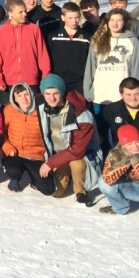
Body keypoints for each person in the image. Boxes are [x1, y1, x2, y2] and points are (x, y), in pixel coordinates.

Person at [36, 74, 101, 205]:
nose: (51, 98)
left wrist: (50, 163)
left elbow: (77, 150)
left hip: (82, 154)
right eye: (47, 93)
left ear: (62, 92)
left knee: (77, 164)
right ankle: (65, 179)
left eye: (56, 93)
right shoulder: (43, 107)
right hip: (58, 153)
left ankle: (80, 191)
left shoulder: (81, 114)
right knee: (56, 193)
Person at [0, 0, 50, 104]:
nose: (24, 14)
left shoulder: (34, 29)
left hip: (31, 80)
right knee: (9, 116)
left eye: (25, 11)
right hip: (8, 82)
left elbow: (42, 55)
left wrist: (45, 76)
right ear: (10, 13)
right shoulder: (0, 32)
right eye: (20, 12)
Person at [84, 9, 139, 112]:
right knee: (101, 126)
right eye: (112, 20)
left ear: (124, 22)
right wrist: (88, 90)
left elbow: (137, 69)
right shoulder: (98, 40)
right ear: (107, 22)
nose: (115, 23)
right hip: (100, 94)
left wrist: (133, 92)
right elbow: (91, 67)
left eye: (119, 20)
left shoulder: (132, 41)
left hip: (122, 95)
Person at [1, 83, 55, 195]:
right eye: (19, 96)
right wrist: (8, 148)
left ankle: (33, 176)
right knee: (13, 169)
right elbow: (2, 133)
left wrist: (48, 155)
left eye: (26, 95)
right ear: (14, 98)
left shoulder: (42, 110)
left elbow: (51, 134)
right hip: (15, 153)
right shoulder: (8, 110)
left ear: (31, 94)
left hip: (36, 155)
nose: (24, 99)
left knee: (47, 189)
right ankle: (15, 178)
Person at [98, 125, 139, 217]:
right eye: (130, 144)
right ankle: (121, 208)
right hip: (127, 187)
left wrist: (138, 165)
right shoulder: (115, 153)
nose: (135, 147)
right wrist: (127, 162)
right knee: (102, 182)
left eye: (138, 142)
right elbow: (107, 179)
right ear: (123, 144)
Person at [45, 2, 91, 94]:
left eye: (77, 17)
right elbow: (47, 57)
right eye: (70, 18)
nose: (74, 21)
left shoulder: (87, 37)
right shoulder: (53, 36)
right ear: (63, 17)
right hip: (59, 79)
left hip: (80, 81)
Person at [101, 78, 139, 149]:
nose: (133, 98)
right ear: (121, 95)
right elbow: (101, 134)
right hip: (121, 157)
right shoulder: (111, 110)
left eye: (137, 94)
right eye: (128, 95)